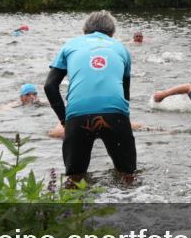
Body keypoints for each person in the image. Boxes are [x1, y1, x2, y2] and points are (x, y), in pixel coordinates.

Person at [44, 10, 135, 186]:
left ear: (85, 31)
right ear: (112, 33)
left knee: (75, 180)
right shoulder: (121, 48)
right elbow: (125, 94)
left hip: (78, 114)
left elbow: (49, 86)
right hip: (115, 113)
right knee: (128, 176)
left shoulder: (69, 46)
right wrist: (122, 123)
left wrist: (65, 120)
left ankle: (71, 211)